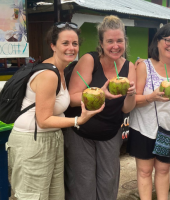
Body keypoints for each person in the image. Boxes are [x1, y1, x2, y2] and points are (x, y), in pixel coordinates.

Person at [6, 22, 104, 200]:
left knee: (55, 196)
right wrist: (78, 121)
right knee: (33, 197)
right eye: (65, 43)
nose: (71, 48)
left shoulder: (61, 71)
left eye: (75, 44)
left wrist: (102, 93)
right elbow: (43, 120)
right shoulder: (48, 75)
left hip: (52, 139)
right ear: (53, 45)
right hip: (33, 141)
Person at [63, 15, 136, 200]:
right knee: (83, 184)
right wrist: (101, 93)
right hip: (81, 132)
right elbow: (72, 98)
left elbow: (126, 109)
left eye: (119, 40)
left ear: (125, 42)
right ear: (101, 43)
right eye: (109, 41)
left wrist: (131, 94)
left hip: (110, 134)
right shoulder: (89, 60)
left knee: (108, 183)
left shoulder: (130, 67)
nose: (115, 45)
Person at [127, 23, 170, 200]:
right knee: (145, 172)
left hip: (169, 128)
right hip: (144, 128)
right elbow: (133, 101)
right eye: (168, 40)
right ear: (158, 42)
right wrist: (151, 97)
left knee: (163, 170)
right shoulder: (144, 66)